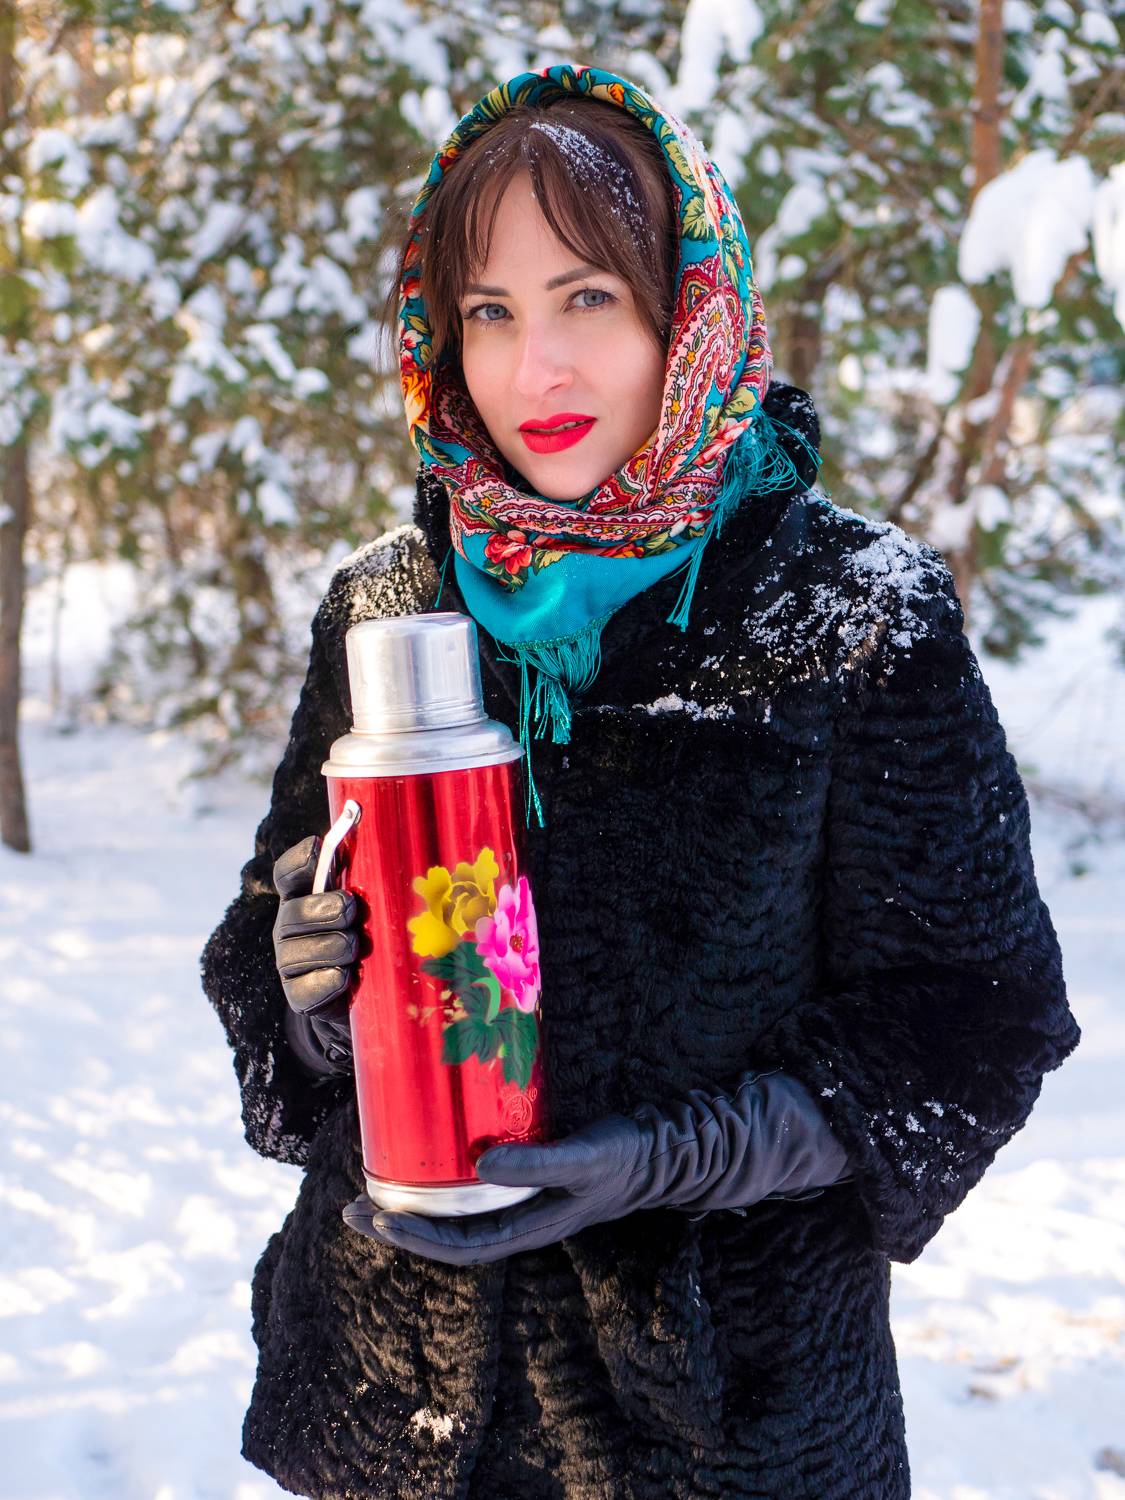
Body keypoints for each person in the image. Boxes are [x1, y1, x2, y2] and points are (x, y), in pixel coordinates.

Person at [200, 64, 1082, 1500]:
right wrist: (304, 997)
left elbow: (976, 1017)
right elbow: (260, 946)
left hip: (724, 1418)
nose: (533, 371)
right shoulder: (392, 602)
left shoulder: (845, 609)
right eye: (489, 311)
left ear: (687, 308)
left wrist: (684, 1155)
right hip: (400, 1397)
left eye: (587, 299)